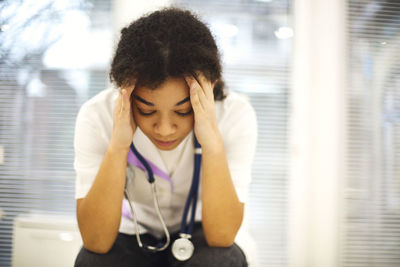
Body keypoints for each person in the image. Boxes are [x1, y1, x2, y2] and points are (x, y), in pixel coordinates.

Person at [73, 7, 257, 267]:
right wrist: (118, 145)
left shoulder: (234, 115)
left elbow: (222, 236)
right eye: (147, 111)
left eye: (182, 111)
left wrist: (212, 143)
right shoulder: (97, 116)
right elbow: (95, 241)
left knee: (223, 259)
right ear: (124, 89)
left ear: (210, 85)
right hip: (131, 234)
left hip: (199, 233)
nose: (165, 129)